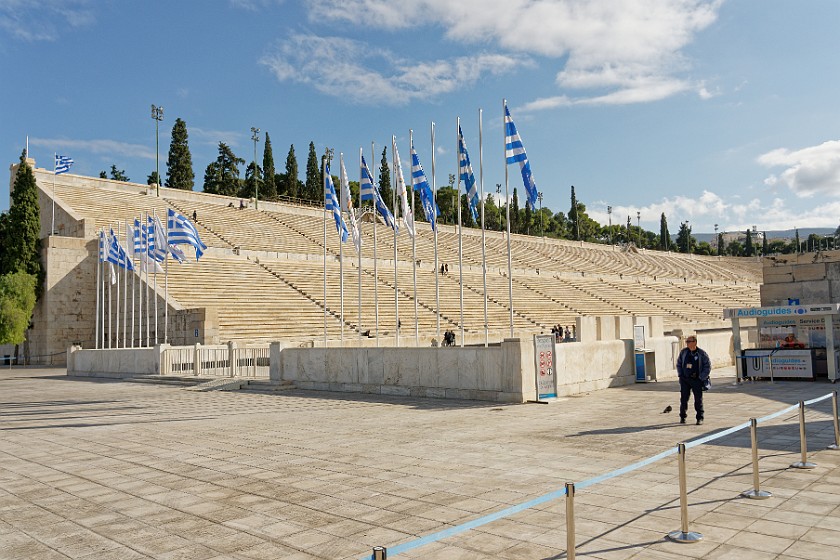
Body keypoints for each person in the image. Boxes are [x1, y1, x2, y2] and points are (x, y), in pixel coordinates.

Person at [676, 335, 711, 425]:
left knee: (698, 400)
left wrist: (701, 377)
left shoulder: (701, 354)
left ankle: (700, 417)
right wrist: (680, 375)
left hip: (696, 380)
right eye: (686, 342)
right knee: (684, 399)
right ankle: (682, 416)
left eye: (689, 341)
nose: (687, 343)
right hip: (685, 379)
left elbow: (707, 367)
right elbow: (679, 364)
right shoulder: (684, 352)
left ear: (694, 342)